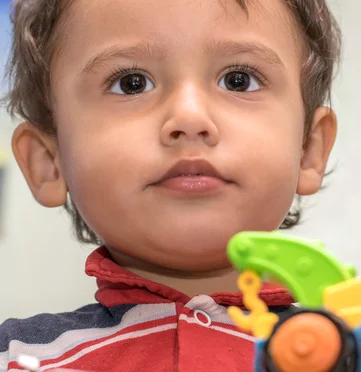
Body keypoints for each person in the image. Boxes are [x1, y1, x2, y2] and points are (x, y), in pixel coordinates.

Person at [0, 0, 341, 370]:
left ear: (309, 149)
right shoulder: (16, 356)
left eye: (238, 80)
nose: (190, 116)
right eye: (131, 84)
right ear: (49, 161)